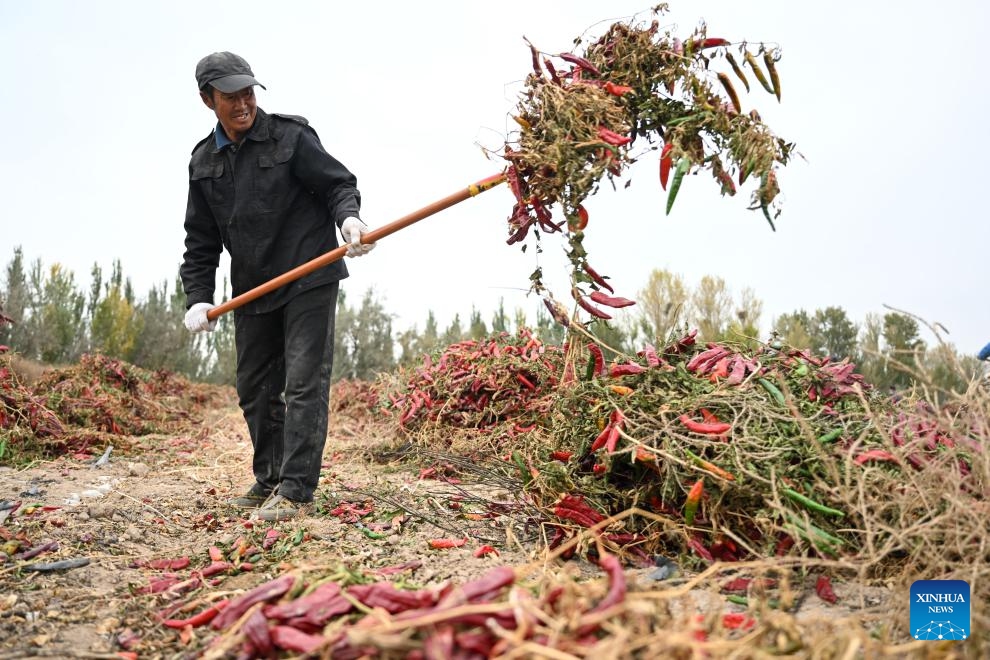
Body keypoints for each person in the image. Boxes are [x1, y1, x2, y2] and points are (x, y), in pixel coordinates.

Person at [179, 52, 376, 521]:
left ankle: (295, 491)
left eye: (248, 92)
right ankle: (269, 478)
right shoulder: (203, 162)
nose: (243, 103)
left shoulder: (291, 136)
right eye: (231, 96)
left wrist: (349, 218)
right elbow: (201, 239)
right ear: (208, 100)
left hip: (309, 274)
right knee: (255, 389)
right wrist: (199, 297)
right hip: (253, 287)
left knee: (305, 382)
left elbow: (337, 185)